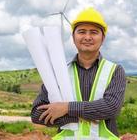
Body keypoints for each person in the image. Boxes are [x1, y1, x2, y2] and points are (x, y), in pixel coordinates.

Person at [31, 7, 126, 139]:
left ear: (103, 38)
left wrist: (66, 108)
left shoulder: (115, 71)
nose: (87, 37)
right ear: (73, 37)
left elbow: (111, 108)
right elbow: (36, 114)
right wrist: (84, 114)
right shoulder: (58, 73)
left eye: (94, 32)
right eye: (82, 32)